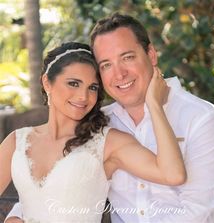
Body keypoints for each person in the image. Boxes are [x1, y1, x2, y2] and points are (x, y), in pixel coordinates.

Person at [4, 12, 214, 223]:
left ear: (151, 54)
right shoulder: (97, 124)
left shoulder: (204, 120)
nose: (119, 73)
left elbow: (199, 216)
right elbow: (55, 184)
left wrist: (154, 106)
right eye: (106, 64)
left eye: (127, 57)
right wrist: (18, 215)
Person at [0, 42, 186, 222]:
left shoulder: (108, 142)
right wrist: (15, 216)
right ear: (47, 83)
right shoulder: (17, 141)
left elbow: (173, 175)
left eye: (93, 88)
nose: (83, 96)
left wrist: (154, 105)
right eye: (74, 83)